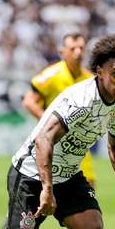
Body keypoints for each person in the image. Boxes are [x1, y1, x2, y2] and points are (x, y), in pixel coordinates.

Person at [4, 34, 115, 229]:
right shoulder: (81, 100)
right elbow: (44, 139)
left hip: (69, 177)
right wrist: (47, 188)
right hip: (32, 174)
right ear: (100, 72)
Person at [22, 32, 96, 186]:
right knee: (43, 196)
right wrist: (51, 123)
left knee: (89, 188)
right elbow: (29, 102)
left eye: (81, 48)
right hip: (53, 144)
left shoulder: (90, 80)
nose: (78, 52)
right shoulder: (52, 75)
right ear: (62, 51)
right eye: (73, 48)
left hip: (79, 145)